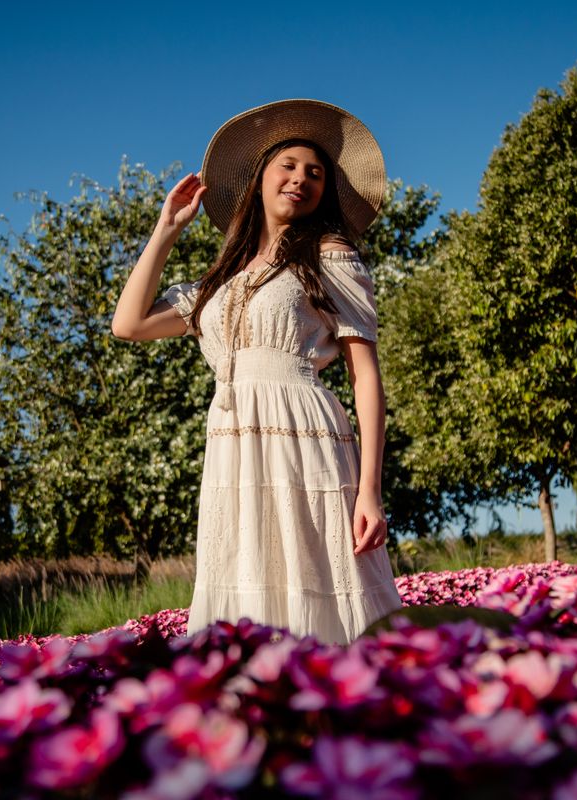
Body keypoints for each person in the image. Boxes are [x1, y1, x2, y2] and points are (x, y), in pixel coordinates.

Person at [112, 99, 403, 644]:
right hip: (233, 441)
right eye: (288, 165)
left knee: (317, 575)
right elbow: (128, 324)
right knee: (246, 575)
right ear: (260, 178)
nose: (301, 179)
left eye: (315, 174)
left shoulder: (332, 256)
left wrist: (370, 491)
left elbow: (365, 377)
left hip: (303, 434)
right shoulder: (221, 281)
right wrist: (166, 229)